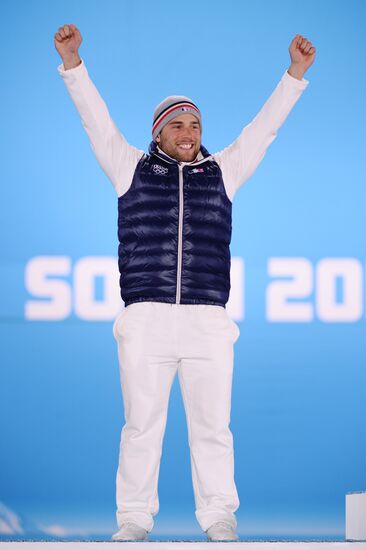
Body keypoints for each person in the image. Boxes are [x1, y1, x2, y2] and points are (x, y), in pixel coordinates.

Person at [54, 24, 315, 542]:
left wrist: (295, 75)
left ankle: (219, 516)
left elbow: (264, 129)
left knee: (213, 429)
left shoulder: (225, 171)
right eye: (178, 125)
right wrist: (72, 63)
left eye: (195, 123)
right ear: (159, 134)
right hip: (146, 319)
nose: (189, 131)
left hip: (207, 321)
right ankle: (133, 520)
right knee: (140, 428)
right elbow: (95, 121)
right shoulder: (128, 168)